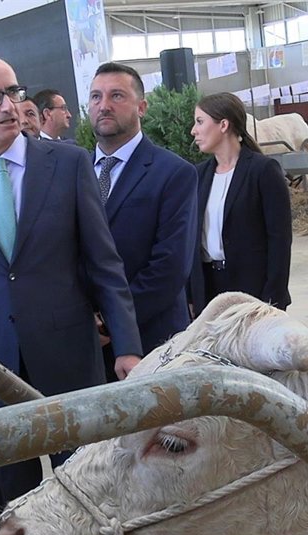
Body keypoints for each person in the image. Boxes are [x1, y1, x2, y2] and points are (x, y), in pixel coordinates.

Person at [0, 55, 142, 510]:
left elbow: (104, 263)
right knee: (18, 503)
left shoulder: (68, 164)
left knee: (90, 489)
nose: (8, 106)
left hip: (69, 359)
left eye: (13, 92)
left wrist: (127, 346)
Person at [88, 62, 196, 357]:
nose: (104, 106)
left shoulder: (173, 173)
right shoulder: (72, 172)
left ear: (142, 107)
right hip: (83, 341)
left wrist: (111, 322)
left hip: (149, 340)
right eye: (96, 96)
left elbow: (170, 266)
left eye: (117, 96)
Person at [190, 92, 293, 313]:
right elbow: (191, 241)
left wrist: (273, 299)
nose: (193, 130)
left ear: (223, 125)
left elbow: (280, 240)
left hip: (252, 290)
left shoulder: (263, 170)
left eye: (200, 121)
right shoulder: (199, 175)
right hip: (208, 290)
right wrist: (191, 295)